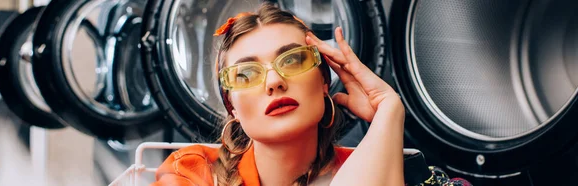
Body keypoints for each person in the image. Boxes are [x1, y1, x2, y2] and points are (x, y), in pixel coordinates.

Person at [151, 2, 405, 186]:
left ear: (324, 82)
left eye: (293, 60)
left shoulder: (374, 164)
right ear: (233, 108)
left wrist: (388, 109)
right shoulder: (193, 173)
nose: (274, 82)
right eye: (246, 74)